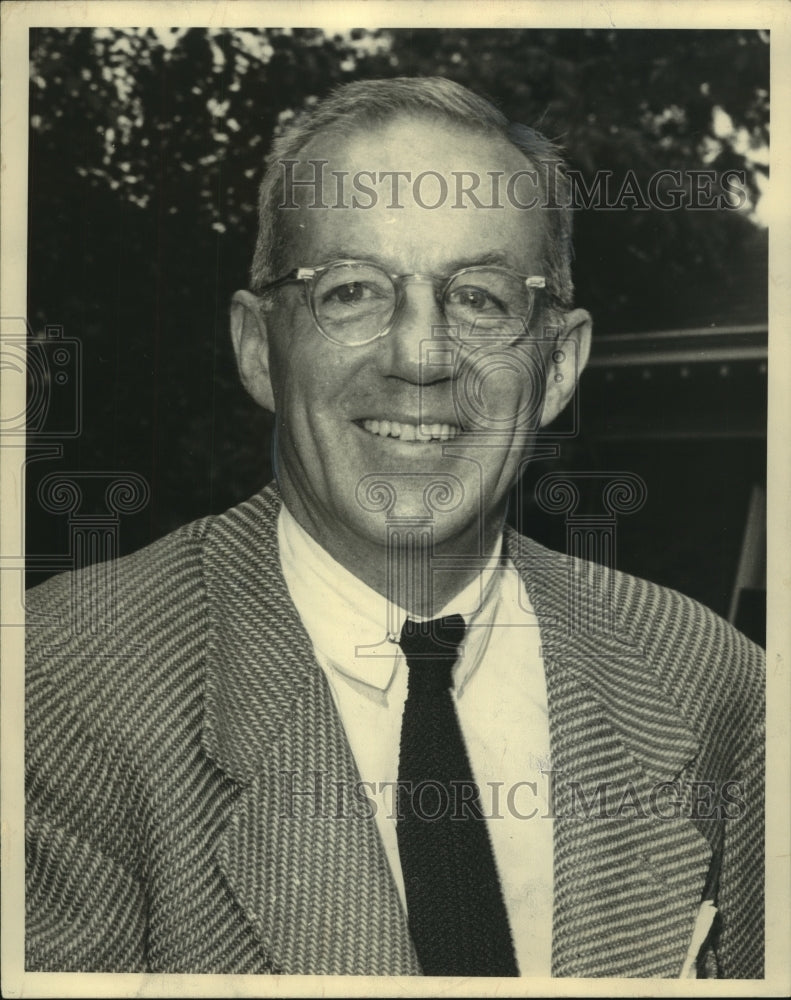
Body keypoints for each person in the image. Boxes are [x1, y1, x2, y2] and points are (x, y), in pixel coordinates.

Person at [25, 76, 764, 979]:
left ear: (558, 365)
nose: (419, 355)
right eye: (351, 292)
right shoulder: (55, 686)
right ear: (259, 346)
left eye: (482, 298)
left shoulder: (711, 680)